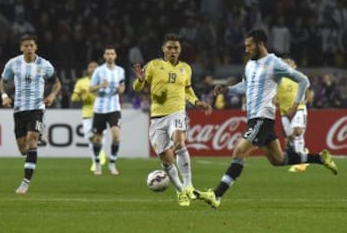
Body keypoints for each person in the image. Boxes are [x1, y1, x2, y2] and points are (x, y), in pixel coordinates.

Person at [194, 29, 338, 208]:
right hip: (254, 118)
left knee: (239, 152)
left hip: (263, 117)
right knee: (279, 160)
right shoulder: (250, 65)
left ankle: (216, 195)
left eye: (249, 46)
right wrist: (227, 89)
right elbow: (247, 86)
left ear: (260, 44)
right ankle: (320, 158)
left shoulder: (274, 63)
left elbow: (303, 80)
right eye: (245, 46)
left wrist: (295, 104)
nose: (246, 49)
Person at [132, 33, 212, 207]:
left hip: (177, 113)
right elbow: (137, 87)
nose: (173, 51)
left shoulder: (186, 68)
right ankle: (181, 191)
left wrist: (197, 102)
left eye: (176, 48)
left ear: (180, 49)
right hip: (157, 118)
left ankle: (189, 185)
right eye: (169, 48)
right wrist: (139, 81)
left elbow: (188, 91)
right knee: (166, 160)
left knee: (179, 143)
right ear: (163, 49)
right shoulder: (154, 65)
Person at [0, 34, 61, 194]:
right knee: (23, 150)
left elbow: (56, 83)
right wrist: (5, 96)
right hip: (19, 110)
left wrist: (52, 95)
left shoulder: (44, 65)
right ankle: (38, 136)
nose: (29, 48)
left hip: (37, 108)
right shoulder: (13, 64)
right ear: (21, 48)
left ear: (36, 47)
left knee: (31, 142)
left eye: (31, 45)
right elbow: (3, 82)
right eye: (26, 46)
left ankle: (25, 183)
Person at [89, 46, 125, 176]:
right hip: (99, 109)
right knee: (97, 139)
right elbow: (91, 89)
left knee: (116, 135)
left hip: (114, 108)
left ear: (115, 56)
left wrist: (121, 89)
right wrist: (100, 86)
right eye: (108, 53)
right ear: (104, 56)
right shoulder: (98, 71)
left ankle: (112, 164)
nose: (110, 56)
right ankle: (98, 163)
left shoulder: (121, 70)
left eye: (112, 53)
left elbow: (122, 85)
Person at [276, 58, 312, 172]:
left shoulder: (299, 77)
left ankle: (301, 162)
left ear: (294, 66)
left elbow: (308, 92)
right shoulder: (278, 79)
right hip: (284, 112)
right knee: (290, 136)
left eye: (290, 63)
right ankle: (301, 154)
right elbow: (273, 96)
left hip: (298, 108)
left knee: (297, 132)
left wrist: (303, 102)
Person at [71, 61, 106, 172]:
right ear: (88, 69)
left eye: (95, 66)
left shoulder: (104, 82)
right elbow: (73, 99)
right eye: (91, 66)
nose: (93, 68)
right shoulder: (81, 82)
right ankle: (99, 155)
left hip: (101, 113)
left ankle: (96, 163)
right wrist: (79, 94)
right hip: (87, 113)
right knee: (90, 138)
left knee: (99, 138)